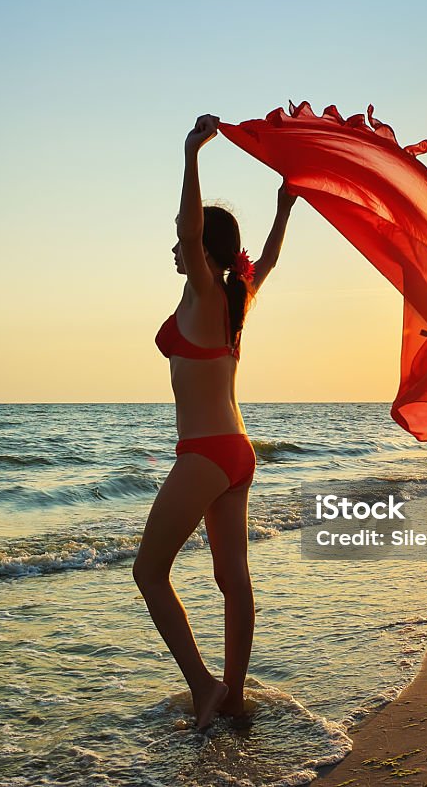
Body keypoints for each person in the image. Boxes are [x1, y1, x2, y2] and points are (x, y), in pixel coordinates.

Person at [133, 113, 297, 729]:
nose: (174, 246)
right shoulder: (235, 297)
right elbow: (271, 259)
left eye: (182, 241)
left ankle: (204, 686)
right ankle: (233, 693)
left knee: (149, 572)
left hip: (204, 454)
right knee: (233, 579)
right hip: (238, 451)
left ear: (202, 248)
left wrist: (191, 154)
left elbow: (189, 219)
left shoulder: (206, 293)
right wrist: (283, 206)